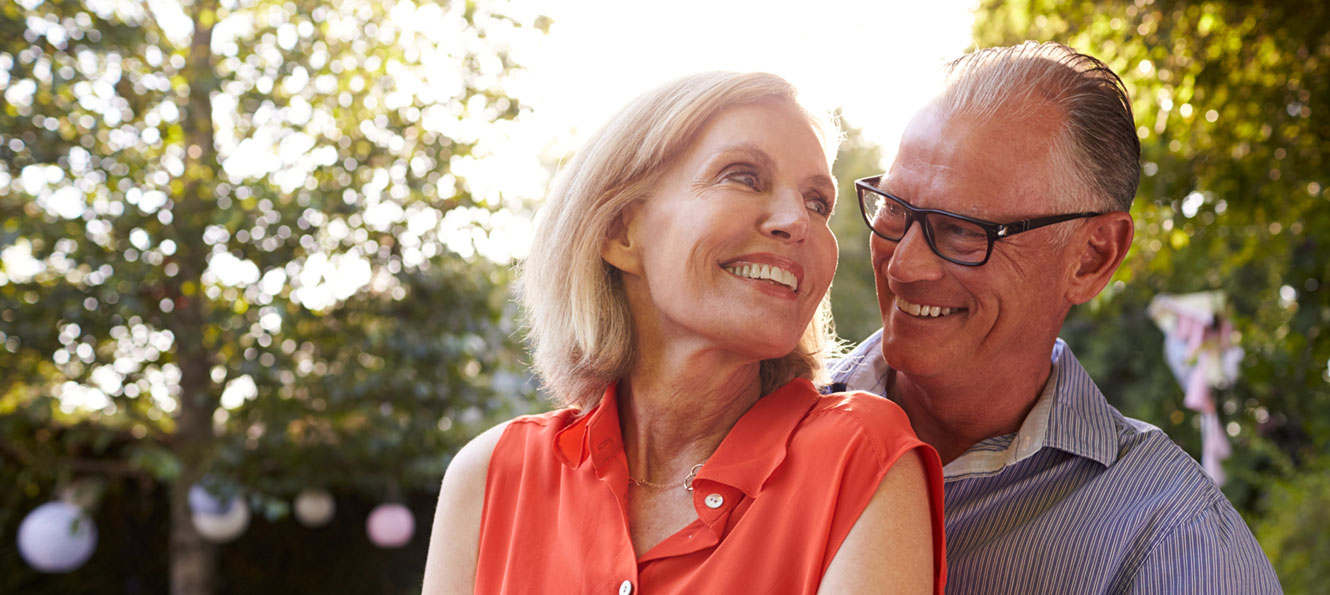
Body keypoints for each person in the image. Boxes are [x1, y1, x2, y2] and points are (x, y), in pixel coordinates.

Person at [422, 72, 946, 594]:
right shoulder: (488, 478)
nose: (797, 221)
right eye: (743, 176)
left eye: (817, 202)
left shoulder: (863, 458)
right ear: (620, 232)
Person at [830, 42, 1280, 593]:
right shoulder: (756, 412)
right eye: (895, 210)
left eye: (964, 230)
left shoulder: (1172, 542)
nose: (904, 264)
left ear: (1092, 257)